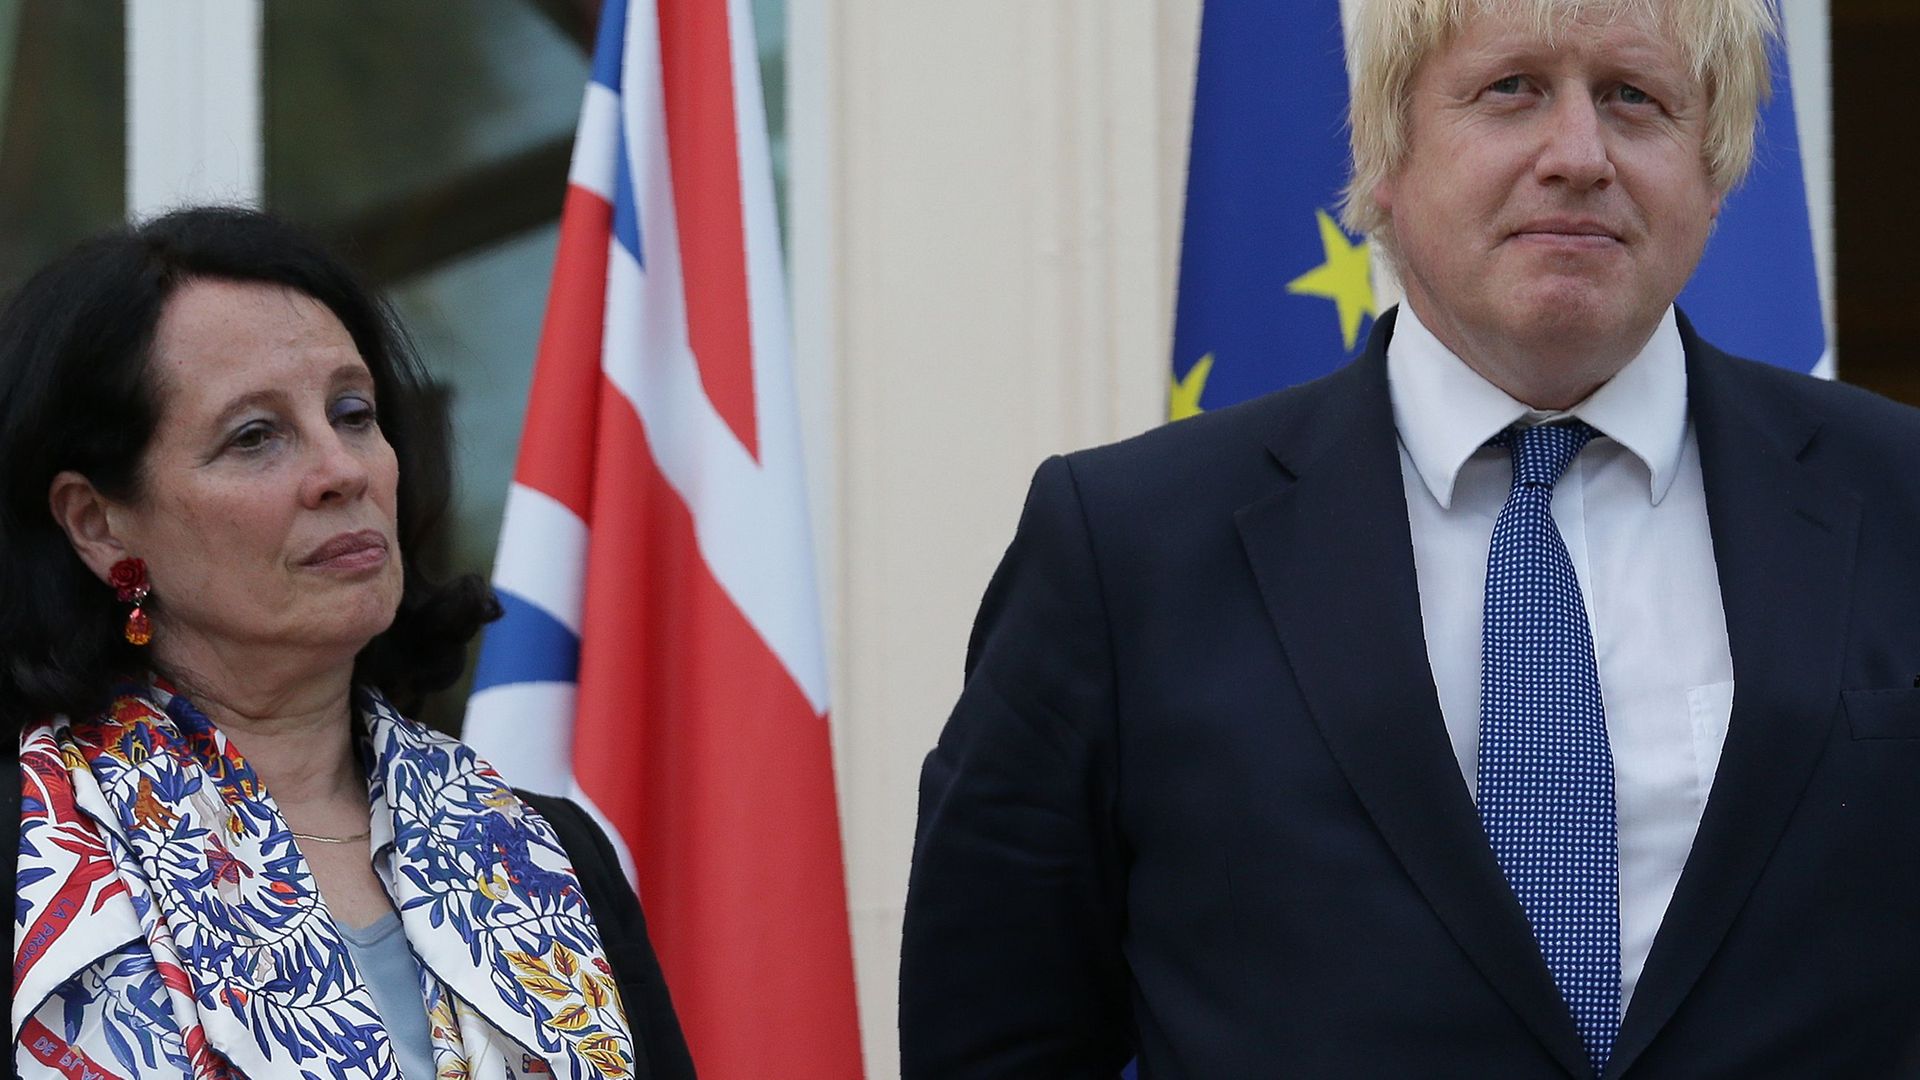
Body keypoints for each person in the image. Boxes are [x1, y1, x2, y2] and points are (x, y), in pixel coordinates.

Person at [901, 0, 1920, 1076]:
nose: (1578, 154)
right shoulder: (1127, 553)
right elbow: (996, 1039)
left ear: (1712, 171)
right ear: (1387, 151)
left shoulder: (1900, 502)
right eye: (1510, 89)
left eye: (1634, 98)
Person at [0, 208, 697, 1080]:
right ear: (97, 523)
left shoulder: (548, 852)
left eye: (354, 413)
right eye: (255, 436)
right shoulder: (29, 852)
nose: (343, 470)